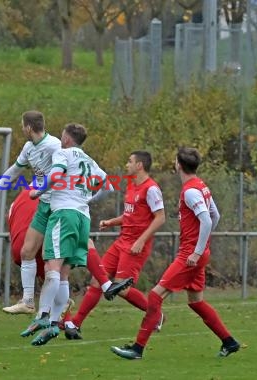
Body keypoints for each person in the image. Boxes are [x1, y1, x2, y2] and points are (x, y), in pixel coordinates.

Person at [111, 147, 240, 360]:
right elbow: (215, 215)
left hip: (190, 255)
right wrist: (204, 243)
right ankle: (229, 342)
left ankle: (137, 349)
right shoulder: (201, 186)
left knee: (154, 295)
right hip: (196, 253)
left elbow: (207, 220)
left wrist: (197, 251)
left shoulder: (190, 191)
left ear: (178, 165)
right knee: (196, 301)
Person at [20, 123, 130, 346]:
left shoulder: (63, 153)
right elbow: (107, 186)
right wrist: (86, 198)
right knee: (63, 275)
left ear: (68, 139)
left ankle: (43, 317)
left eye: (62, 136)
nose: (61, 139)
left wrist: (38, 192)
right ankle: (53, 323)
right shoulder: (89, 160)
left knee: (52, 267)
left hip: (64, 215)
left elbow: (56, 175)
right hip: (83, 218)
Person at [64, 151, 166, 339]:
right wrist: (111, 222)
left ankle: (156, 315)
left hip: (135, 245)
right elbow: (131, 216)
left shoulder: (151, 189)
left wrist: (141, 240)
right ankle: (76, 323)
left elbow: (160, 218)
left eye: (130, 161)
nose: (126, 165)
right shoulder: (131, 186)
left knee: (121, 288)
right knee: (98, 280)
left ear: (140, 166)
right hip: (122, 241)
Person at [0, 111, 60, 314]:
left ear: (29, 128)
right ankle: (28, 301)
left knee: (54, 260)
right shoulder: (29, 147)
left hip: (59, 207)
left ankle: (59, 303)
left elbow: (67, 171)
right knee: (27, 252)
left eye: (22, 126)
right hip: (43, 205)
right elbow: (14, 171)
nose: (22, 129)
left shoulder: (54, 146)